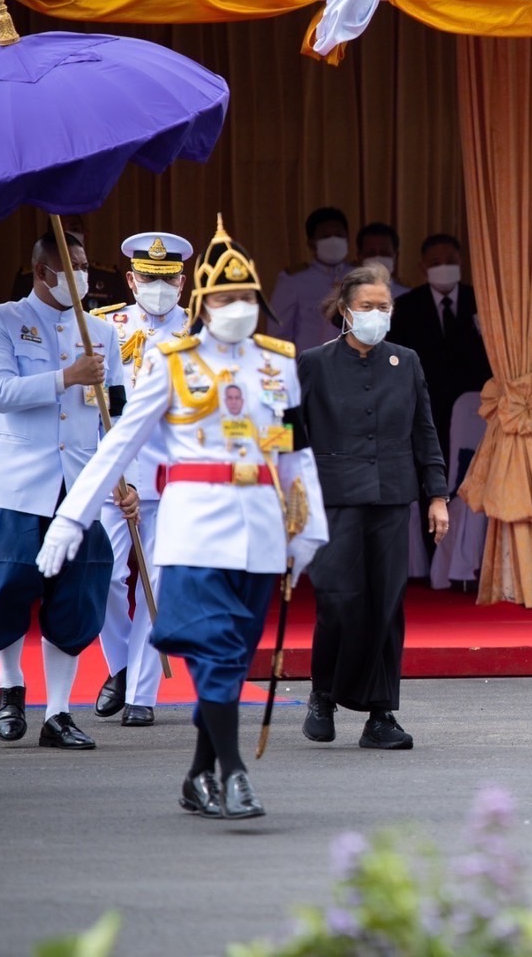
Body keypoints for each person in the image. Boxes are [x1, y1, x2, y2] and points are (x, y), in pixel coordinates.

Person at [38, 216, 328, 819]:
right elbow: (118, 444)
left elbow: (295, 452)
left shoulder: (279, 364)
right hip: (193, 527)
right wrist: (71, 518)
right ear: (204, 301)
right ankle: (234, 774)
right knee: (214, 651)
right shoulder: (173, 361)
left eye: (245, 298)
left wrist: (311, 526)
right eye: (224, 298)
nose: (236, 308)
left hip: (261, 531)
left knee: (233, 652)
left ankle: (197, 773)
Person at [0, 230, 132, 751]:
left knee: (77, 593)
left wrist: (121, 476)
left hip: (79, 483)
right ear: (44, 271)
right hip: (18, 482)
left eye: (85, 265)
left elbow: (116, 412)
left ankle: (58, 713)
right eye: (74, 265)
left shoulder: (102, 333)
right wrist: (67, 376)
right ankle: (9, 686)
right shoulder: (3, 320)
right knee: (7, 587)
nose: (83, 275)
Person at [299, 265, 448, 750]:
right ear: (345, 310)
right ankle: (323, 694)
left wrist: (438, 495)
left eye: (384, 307)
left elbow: (425, 431)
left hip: (390, 495)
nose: (376, 315)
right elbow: (292, 437)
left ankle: (381, 713)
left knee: (386, 603)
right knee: (339, 600)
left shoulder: (405, 361)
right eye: (367, 307)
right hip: (334, 497)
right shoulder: (314, 363)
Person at [86, 231, 194, 727]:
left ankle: (142, 695)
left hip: (175, 476)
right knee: (105, 577)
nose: (158, 287)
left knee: (159, 581)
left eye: (167, 278)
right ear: (131, 279)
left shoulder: (201, 332)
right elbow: (94, 404)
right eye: (148, 279)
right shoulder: (102, 326)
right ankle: (122, 669)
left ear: (182, 279)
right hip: (115, 473)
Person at [388, 233, 491, 461]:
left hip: (476, 405)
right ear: (423, 267)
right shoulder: (406, 307)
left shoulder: (482, 301)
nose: (444, 267)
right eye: (435, 263)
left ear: (461, 262)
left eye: (450, 261)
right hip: (427, 406)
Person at [268, 206, 354, 353]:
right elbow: (279, 335)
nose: (333, 241)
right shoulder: (294, 280)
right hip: (311, 369)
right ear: (311, 243)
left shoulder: (360, 275)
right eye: (325, 236)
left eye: (339, 235)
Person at [356, 222, 410, 297]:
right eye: (371, 253)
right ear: (359, 257)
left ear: (396, 256)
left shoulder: (408, 297)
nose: (378, 258)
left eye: (384, 253)